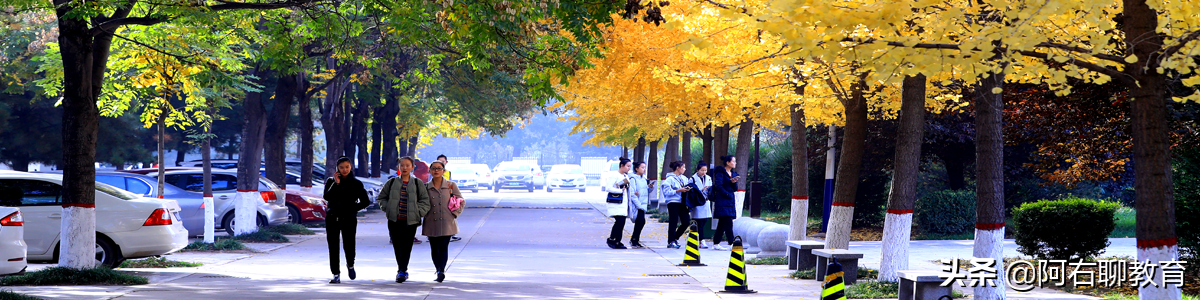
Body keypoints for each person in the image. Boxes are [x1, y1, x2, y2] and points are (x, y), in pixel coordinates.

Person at [377, 156, 431, 283]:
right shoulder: (391, 182)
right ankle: (402, 269)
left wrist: (419, 212)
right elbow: (381, 198)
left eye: (407, 165)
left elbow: (425, 200)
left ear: (412, 167)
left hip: (410, 221)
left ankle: (402, 270)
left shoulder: (418, 183)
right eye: (402, 165)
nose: (404, 167)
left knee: (406, 246)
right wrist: (388, 208)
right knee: (397, 246)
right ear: (399, 167)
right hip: (394, 220)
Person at [322, 157, 372, 284]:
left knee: (349, 244)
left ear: (351, 167)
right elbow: (327, 196)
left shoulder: (356, 183)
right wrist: (336, 183)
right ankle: (336, 274)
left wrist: (352, 209)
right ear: (337, 169)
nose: (344, 170)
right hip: (332, 217)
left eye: (347, 167)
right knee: (333, 246)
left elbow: (365, 201)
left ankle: (350, 265)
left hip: (348, 219)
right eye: (341, 167)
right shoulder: (330, 181)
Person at [423, 161, 465, 283]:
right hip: (431, 221)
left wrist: (455, 214)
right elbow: (420, 203)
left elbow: (461, 201)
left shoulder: (451, 185)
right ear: (430, 171)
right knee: (434, 248)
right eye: (434, 168)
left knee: (443, 247)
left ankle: (441, 270)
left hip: (447, 221)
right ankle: (437, 269)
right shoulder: (425, 187)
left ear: (444, 171)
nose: (436, 170)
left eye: (439, 168)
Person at [710, 155, 740, 251]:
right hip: (722, 200)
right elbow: (718, 186)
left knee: (722, 223)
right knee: (728, 222)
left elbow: (735, 188)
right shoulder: (720, 173)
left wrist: (733, 182)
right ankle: (732, 242)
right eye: (733, 161)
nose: (735, 163)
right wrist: (727, 194)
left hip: (730, 201)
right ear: (727, 162)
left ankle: (716, 243)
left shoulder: (733, 173)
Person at [661, 161, 692, 249]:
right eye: (683, 167)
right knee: (673, 221)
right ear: (678, 168)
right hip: (673, 202)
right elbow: (666, 192)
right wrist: (678, 190)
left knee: (686, 221)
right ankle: (670, 241)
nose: (685, 169)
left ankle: (675, 238)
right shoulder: (669, 179)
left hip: (682, 202)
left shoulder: (684, 178)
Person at [605, 158, 633, 249]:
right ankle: (612, 239)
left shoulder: (625, 176)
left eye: (630, 166)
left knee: (622, 222)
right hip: (616, 202)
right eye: (627, 166)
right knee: (619, 221)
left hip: (623, 203)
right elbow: (608, 188)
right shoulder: (614, 175)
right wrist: (620, 191)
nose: (629, 168)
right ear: (622, 166)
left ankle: (618, 241)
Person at [435, 155, 462, 243]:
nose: (441, 163)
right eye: (439, 161)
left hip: (447, 197)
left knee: (449, 217)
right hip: (436, 196)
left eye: (443, 161)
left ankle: (451, 234)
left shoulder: (448, 173)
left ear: (446, 162)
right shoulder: (433, 172)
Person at [689, 161, 714, 249]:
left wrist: (709, 189)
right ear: (697, 170)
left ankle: (695, 238)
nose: (704, 172)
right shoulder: (692, 178)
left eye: (705, 170)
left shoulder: (708, 178)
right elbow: (691, 191)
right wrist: (701, 190)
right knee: (699, 222)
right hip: (697, 203)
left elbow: (711, 188)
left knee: (704, 220)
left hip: (706, 202)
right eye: (702, 170)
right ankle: (701, 241)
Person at [625, 162, 649, 249]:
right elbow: (632, 194)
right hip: (637, 205)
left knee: (641, 222)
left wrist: (649, 188)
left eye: (645, 167)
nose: (644, 169)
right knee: (640, 222)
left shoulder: (644, 178)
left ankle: (635, 240)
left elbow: (644, 191)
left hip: (643, 204)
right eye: (642, 167)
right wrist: (639, 205)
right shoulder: (633, 179)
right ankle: (634, 240)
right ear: (637, 169)